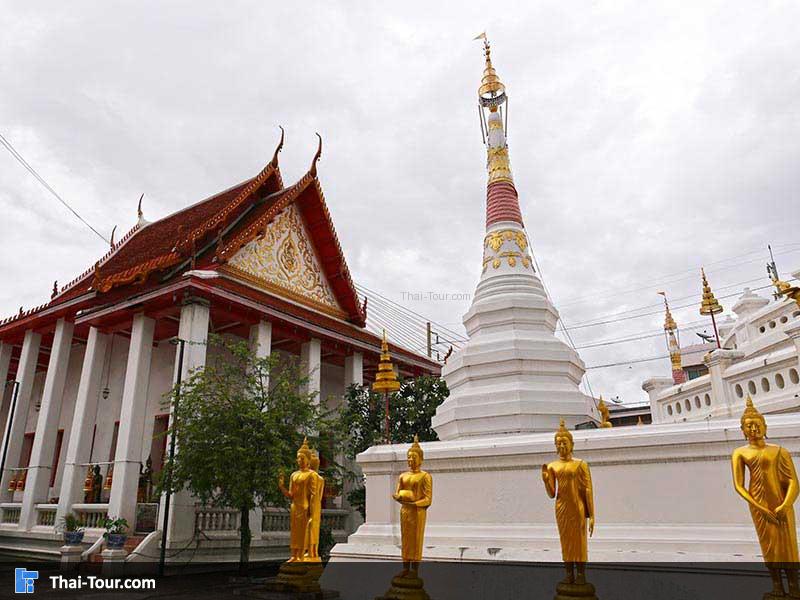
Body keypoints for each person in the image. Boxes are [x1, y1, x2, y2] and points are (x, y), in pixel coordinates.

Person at [731, 397, 799, 597]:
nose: (754, 429)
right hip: (759, 505)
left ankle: (795, 586)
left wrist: (786, 504)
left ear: (765, 425)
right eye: (749, 426)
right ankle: (777, 586)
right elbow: (739, 486)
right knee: (769, 546)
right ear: (743, 431)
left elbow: (793, 481)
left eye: (757, 424)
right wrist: (760, 508)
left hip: (781, 503)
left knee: (788, 545)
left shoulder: (779, 451)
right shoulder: (740, 453)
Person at [542, 419, 595, 585]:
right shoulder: (552, 466)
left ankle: (581, 574)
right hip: (561, 508)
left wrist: (592, 515)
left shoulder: (580, 465)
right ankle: (569, 573)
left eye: (564, 442)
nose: (561, 446)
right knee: (565, 541)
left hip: (577, 507)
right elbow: (552, 493)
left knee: (579, 541)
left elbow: (587, 489)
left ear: (572, 444)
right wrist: (545, 480)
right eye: (558, 444)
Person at [392, 435, 433, 574]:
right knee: (406, 538)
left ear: (420, 459)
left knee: (416, 538)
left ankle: (415, 569)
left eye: (413, 457)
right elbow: (397, 492)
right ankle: (405, 567)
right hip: (405, 510)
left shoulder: (425, 476)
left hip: (418, 511)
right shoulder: (403, 476)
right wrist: (399, 497)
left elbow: (428, 499)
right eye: (409, 457)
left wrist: (415, 503)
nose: (410, 460)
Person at [278, 437, 316, 562]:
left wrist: (312, 510)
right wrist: (281, 486)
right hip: (295, 506)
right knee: (294, 533)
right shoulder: (294, 475)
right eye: (298, 458)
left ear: (308, 459)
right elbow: (291, 494)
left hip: (305, 507)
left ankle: (300, 554)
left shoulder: (311, 475)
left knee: (302, 532)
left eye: (302, 458)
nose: (300, 460)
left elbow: (313, 495)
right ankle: (294, 554)